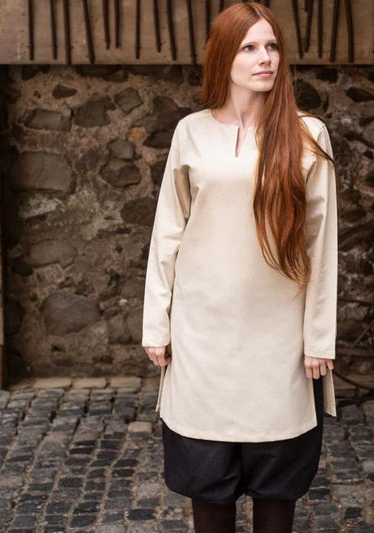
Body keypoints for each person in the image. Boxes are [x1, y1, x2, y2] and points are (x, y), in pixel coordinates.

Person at [142, 3, 338, 532]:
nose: (264, 58)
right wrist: (156, 323)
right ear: (223, 57)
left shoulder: (307, 134)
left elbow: (321, 244)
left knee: (278, 483)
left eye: (271, 46)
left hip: (279, 338)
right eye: (249, 47)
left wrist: (318, 337)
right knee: (207, 480)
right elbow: (168, 232)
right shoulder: (191, 132)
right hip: (201, 335)